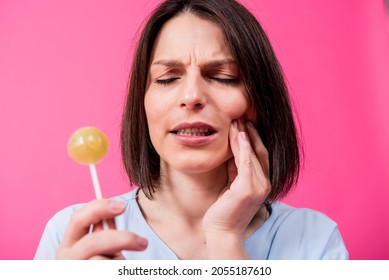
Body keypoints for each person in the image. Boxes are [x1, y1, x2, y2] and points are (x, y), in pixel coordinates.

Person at [35, 0, 348, 260]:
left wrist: (225, 238)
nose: (191, 97)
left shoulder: (315, 241)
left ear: (261, 101)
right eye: (168, 78)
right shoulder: (73, 236)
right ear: (142, 103)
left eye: (223, 76)